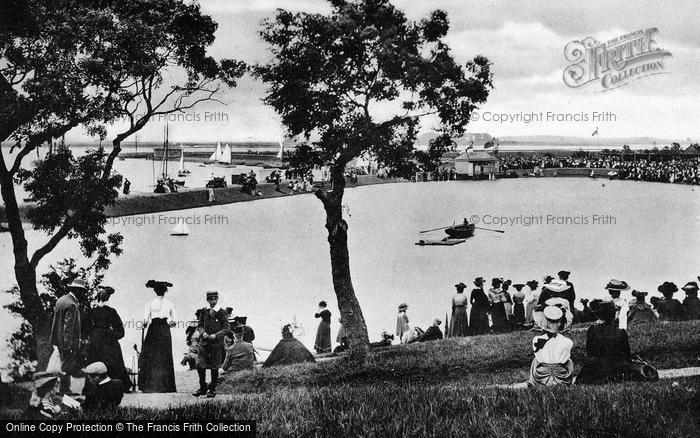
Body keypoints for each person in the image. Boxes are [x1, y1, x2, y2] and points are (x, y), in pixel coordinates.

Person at [83, 286, 130, 392]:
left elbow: (85, 329)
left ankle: (92, 386)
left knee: (94, 362)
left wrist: (90, 337)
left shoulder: (91, 312)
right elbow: (120, 331)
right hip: (109, 340)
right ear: (108, 298)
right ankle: (118, 385)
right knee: (114, 360)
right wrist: (112, 334)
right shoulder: (111, 311)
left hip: (95, 341)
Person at [576, 301, 635, 384]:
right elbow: (627, 354)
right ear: (614, 315)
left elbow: (589, 351)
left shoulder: (592, 329)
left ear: (599, 315)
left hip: (596, 368)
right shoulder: (621, 332)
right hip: (616, 368)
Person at [139, 280, 177, 393]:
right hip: (161, 329)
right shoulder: (167, 303)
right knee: (161, 355)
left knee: (155, 355)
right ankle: (162, 386)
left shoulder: (151, 303)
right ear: (165, 291)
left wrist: (144, 323)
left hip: (156, 329)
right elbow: (174, 320)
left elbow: (145, 319)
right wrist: (170, 323)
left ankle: (152, 386)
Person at [50, 278, 86, 395]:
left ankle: (62, 389)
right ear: (77, 290)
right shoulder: (72, 304)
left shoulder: (61, 300)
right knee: (66, 364)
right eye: (81, 291)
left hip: (57, 339)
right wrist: (68, 345)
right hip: (67, 341)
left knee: (62, 364)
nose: (82, 293)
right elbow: (68, 328)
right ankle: (64, 390)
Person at [528, 300, 574, 387]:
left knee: (535, 360)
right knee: (569, 361)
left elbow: (539, 357)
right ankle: (563, 381)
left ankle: (536, 382)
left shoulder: (536, 339)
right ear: (560, 323)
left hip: (541, 374)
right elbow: (565, 360)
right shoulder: (567, 342)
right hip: (561, 375)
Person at [194, 291, 230, 398]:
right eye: (210, 299)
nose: (213, 301)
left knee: (215, 366)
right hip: (204, 343)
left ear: (217, 299)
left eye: (214, 299)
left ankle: (212, 389)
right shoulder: (204, 311)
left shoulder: (222, 312)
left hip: (216, 344)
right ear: (207, 300)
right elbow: (199, 325)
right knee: (200, 365)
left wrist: (216, 335)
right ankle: (202, 387)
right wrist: (203, 332)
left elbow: (227, 328)